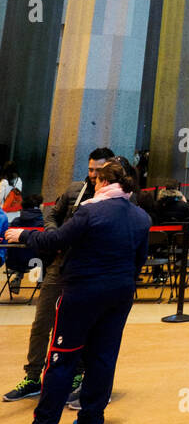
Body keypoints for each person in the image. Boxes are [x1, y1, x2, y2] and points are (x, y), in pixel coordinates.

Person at [4, 160, 151, 424]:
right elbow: (139, 260)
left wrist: (23, 234)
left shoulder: (90, 212)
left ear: (104, 182)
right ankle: (91, 419)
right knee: (103, 356)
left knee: (62, 357)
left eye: (96, 181)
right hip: (120, 293)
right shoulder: (141, 217)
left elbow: (57, 240)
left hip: (83, 291)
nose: (92, 184)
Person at [3, 148, 114, 403]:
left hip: (89, 269)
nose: (94, 175)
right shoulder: (75, 189)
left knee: (81, 326)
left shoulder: (112, 198)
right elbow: (51, 214)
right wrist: (54, 235)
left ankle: (76, 375)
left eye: (99, 170)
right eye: (91, 170)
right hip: (59, 264)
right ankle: (32, 377)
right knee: (42, 321)